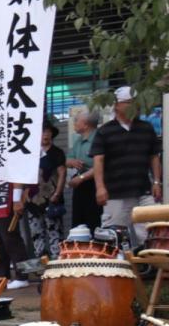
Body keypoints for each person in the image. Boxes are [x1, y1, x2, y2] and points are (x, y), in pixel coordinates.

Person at [91, 86, 161, 247]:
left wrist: (157, 182)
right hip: (116, 192)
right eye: (129, 102)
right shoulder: (105, 131)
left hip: (143, 190)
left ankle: (150, 269)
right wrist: (100, 188)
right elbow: (98, 160)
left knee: (151, 233)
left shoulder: (146, 128)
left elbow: (154, 157)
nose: (134, 106)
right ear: (117, 105)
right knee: (113, 236)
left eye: (136, 102)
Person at [23, 120, 67, 260]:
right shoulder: (30, 152)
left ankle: (57, 260)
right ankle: (40, 261)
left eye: (48, 132)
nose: (45, 135)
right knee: (36, 232)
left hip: (52, 198)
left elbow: (62, 173)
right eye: (42, 132)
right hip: (33, 199)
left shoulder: (57, 152)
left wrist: (58, 192)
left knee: (54, 231)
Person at [67, 109, 102, 231]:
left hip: (96, 186)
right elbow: (67, 159)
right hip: (79, 186)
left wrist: (82, 178)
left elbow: (102, 166)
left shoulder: (99, 139)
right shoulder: (78, 141)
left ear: (86, 124)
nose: (74, 123)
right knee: (78, 224)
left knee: (94, 223)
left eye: (76, 120)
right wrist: (72, 162)